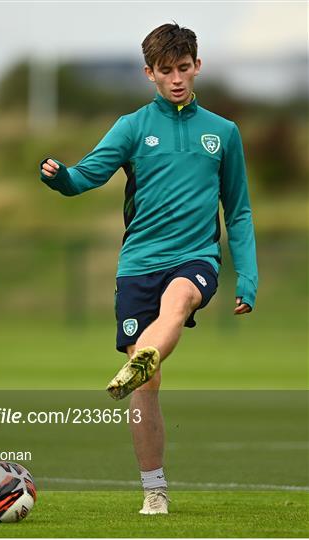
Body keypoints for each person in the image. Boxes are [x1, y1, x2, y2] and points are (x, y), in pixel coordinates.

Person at [40, 22, 258, 515]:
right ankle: (154, 490)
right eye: (166, 70)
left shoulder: (223, 133)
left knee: (180, 299)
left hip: (196, 256)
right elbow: (85, 177)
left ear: (197, 66)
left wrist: (248, 275)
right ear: (149, 74)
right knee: (150, 387)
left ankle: (141, 361)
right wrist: (60, 178)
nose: (177, 78)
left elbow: (238, 210)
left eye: (185, 68)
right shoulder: (132, 127)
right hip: (138, 263)